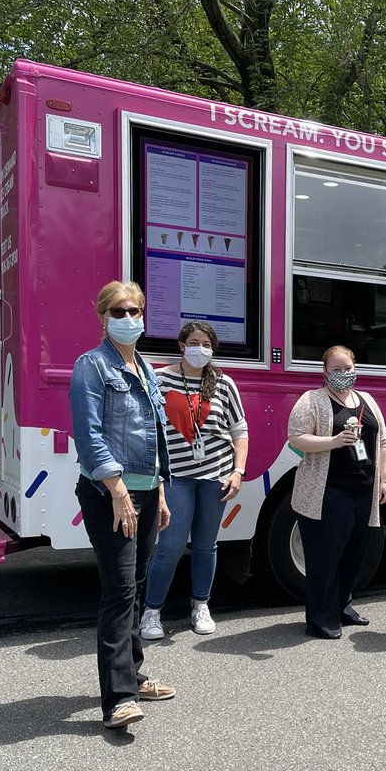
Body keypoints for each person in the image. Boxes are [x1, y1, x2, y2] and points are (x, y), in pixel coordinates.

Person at [69, 281, 176, 730]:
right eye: (120, 310)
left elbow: (156, 437)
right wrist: (117, 491)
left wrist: (161, 494)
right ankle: (119, 697)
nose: (130, 317)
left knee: (136, 581)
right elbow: (89, 434)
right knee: (119, 589)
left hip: (148, 492)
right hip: (111, 495)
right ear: (102, 317)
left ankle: (133, 671)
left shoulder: (145, 368)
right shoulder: (91, 366)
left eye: (135, 309)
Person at [140, 321, 248, 640]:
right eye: (194, 342)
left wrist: (238, 471)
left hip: (215, 476)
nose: (200, 348)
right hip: (176, 477)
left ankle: (200, 605)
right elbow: (150, 429)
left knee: (205, 545)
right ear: (181, 345)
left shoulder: (223, 384)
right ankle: (151, 611)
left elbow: (239, 432)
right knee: (170, 546)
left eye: (206, 343)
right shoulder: (160, 379)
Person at [287, 346, 386, 639]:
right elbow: (296, 437)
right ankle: (320, 618)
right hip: (327, 494)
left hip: (363, 493)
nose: (343, 374)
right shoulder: (312, 400)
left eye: (348, 367)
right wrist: (334, 441)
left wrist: (384, 479)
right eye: (336, 370)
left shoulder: (366, 400)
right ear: (325, 372)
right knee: (324, 558)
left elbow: (383, 439)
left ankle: (343, 608)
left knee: (354, 555)